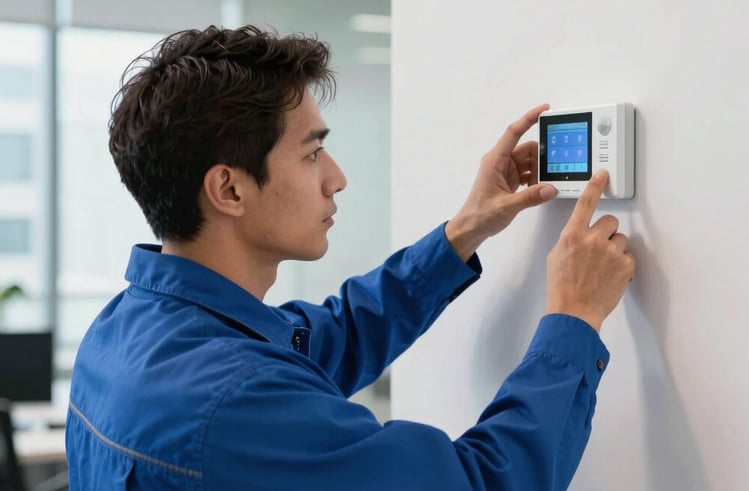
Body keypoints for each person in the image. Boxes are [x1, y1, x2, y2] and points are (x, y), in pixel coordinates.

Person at [65, 25, 635, 490]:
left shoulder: (122, 332)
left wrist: (464, 230)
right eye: (313, 153)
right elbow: (479, 483)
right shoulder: (236, 403)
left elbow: (339, 334)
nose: (337, 178)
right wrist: (574, 318)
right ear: (230, 190)